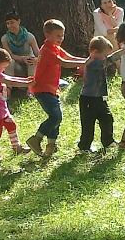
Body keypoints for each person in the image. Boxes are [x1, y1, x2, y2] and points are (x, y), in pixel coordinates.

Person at [26, 19, 88, 158]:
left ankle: (51, 146)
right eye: (58, 35)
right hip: (42, 89)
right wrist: (87, 62)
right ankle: (36, 139)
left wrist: (87, 60)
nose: (61, 38)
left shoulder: (55, 47)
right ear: (47, 35)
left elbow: (70, 57)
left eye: (62, 35)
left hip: (52, 89)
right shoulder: (47, 50)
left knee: (56, 118)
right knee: (56, 117)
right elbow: (64, 62)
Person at [0, 48, 32, 162]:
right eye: (4, 67)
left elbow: (10, 78)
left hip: (2, 108)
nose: (4, 69)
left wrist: (26, 80)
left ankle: (16, 147)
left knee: (11, 125)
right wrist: (27, 83)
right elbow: (10, 81)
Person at [77, 36, 117, 152]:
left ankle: (108, 141)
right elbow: (109, 61)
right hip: (89, 99)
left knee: (107, 118)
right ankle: (84, 146)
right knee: (88, 124)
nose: (105, 58)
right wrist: (123, 52)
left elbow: (109, 59)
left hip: (99, 98)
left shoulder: (98, 60)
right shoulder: (93, 63)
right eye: (104, 55)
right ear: (94, 52)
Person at [0, 9, 40, 81]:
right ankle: (8, 86)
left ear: (18, 21)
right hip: (16, 63)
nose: (10, 26)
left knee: (31, 61)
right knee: (9, 62)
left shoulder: (29, 36)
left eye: (12, 22)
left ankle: (31, 85)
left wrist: (36, 59)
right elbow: (9, 55)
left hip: (29, 62)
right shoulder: (5, 39)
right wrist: (22, 58)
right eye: (8, 23)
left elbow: (38, 53)